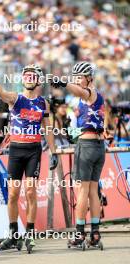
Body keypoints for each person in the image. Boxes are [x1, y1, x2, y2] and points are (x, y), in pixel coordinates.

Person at [0, 64, 58, 250]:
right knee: (12, 194)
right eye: (25, 75)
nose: (27, 78)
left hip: (34, 151)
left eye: (31, 76)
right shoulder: (16, 98)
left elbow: (48, 128)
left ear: (38, 81)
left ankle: (30, 234)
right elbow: (1, 93)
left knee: (30, 192)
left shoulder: (43, 103)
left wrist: (54, 151)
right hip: (16, 150)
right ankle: (12, 235)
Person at [51, 61, 105, 246]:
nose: (77, 81)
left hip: (87, 146)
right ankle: (95, 234)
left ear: (89, 78)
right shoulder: (97, 96)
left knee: (82, 191)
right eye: (75, 78)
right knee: (92, 191)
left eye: (79, 78)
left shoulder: (89, 93)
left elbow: (80, 92)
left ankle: (80, 234)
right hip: (98, 148)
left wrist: (64, 83)